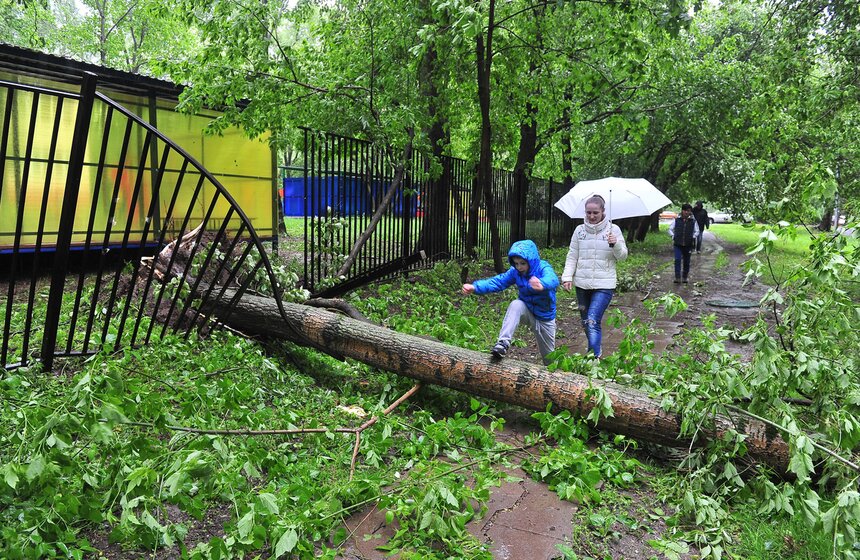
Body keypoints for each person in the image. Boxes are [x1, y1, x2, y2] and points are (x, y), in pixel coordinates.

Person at [462, 239, 559, 365]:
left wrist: (542, 284)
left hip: (545, 317)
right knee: (516, 304)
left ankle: (554, 379)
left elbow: (553, 279)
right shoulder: (515, 272)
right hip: (527, 310)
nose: (519, 267)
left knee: (549, 359)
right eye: (516, 263)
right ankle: (503, 343)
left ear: (531, 260)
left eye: (523, 263)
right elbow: (498, 282)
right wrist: (475, 287)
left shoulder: (542, 267)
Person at [561, 195, 628, 358]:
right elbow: (572, 255)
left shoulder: (614, 230)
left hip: (604, 284)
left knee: (592, 320)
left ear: (603, 211)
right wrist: (567, 276)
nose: (591, 216)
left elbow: (623, 257)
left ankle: (593, 357)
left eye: (595, 213)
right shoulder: (579, 231)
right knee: (586, 322)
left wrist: (615, 244)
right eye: (588, 212)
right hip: (582, 284)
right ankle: (595, 350)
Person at [669, 203, 700, 283]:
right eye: (685, 210)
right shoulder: (676, 220)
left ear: (690, 212)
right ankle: (677, 277)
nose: (686, 212)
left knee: (687, 261)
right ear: (682, 211)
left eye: (688, 211)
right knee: (677, 259)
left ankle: (685, 277)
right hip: (678, 244)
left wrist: (692, 236)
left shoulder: (693, 221)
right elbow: (670, 229)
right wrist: (673, 236)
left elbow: (697, 231)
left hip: (688, 245)